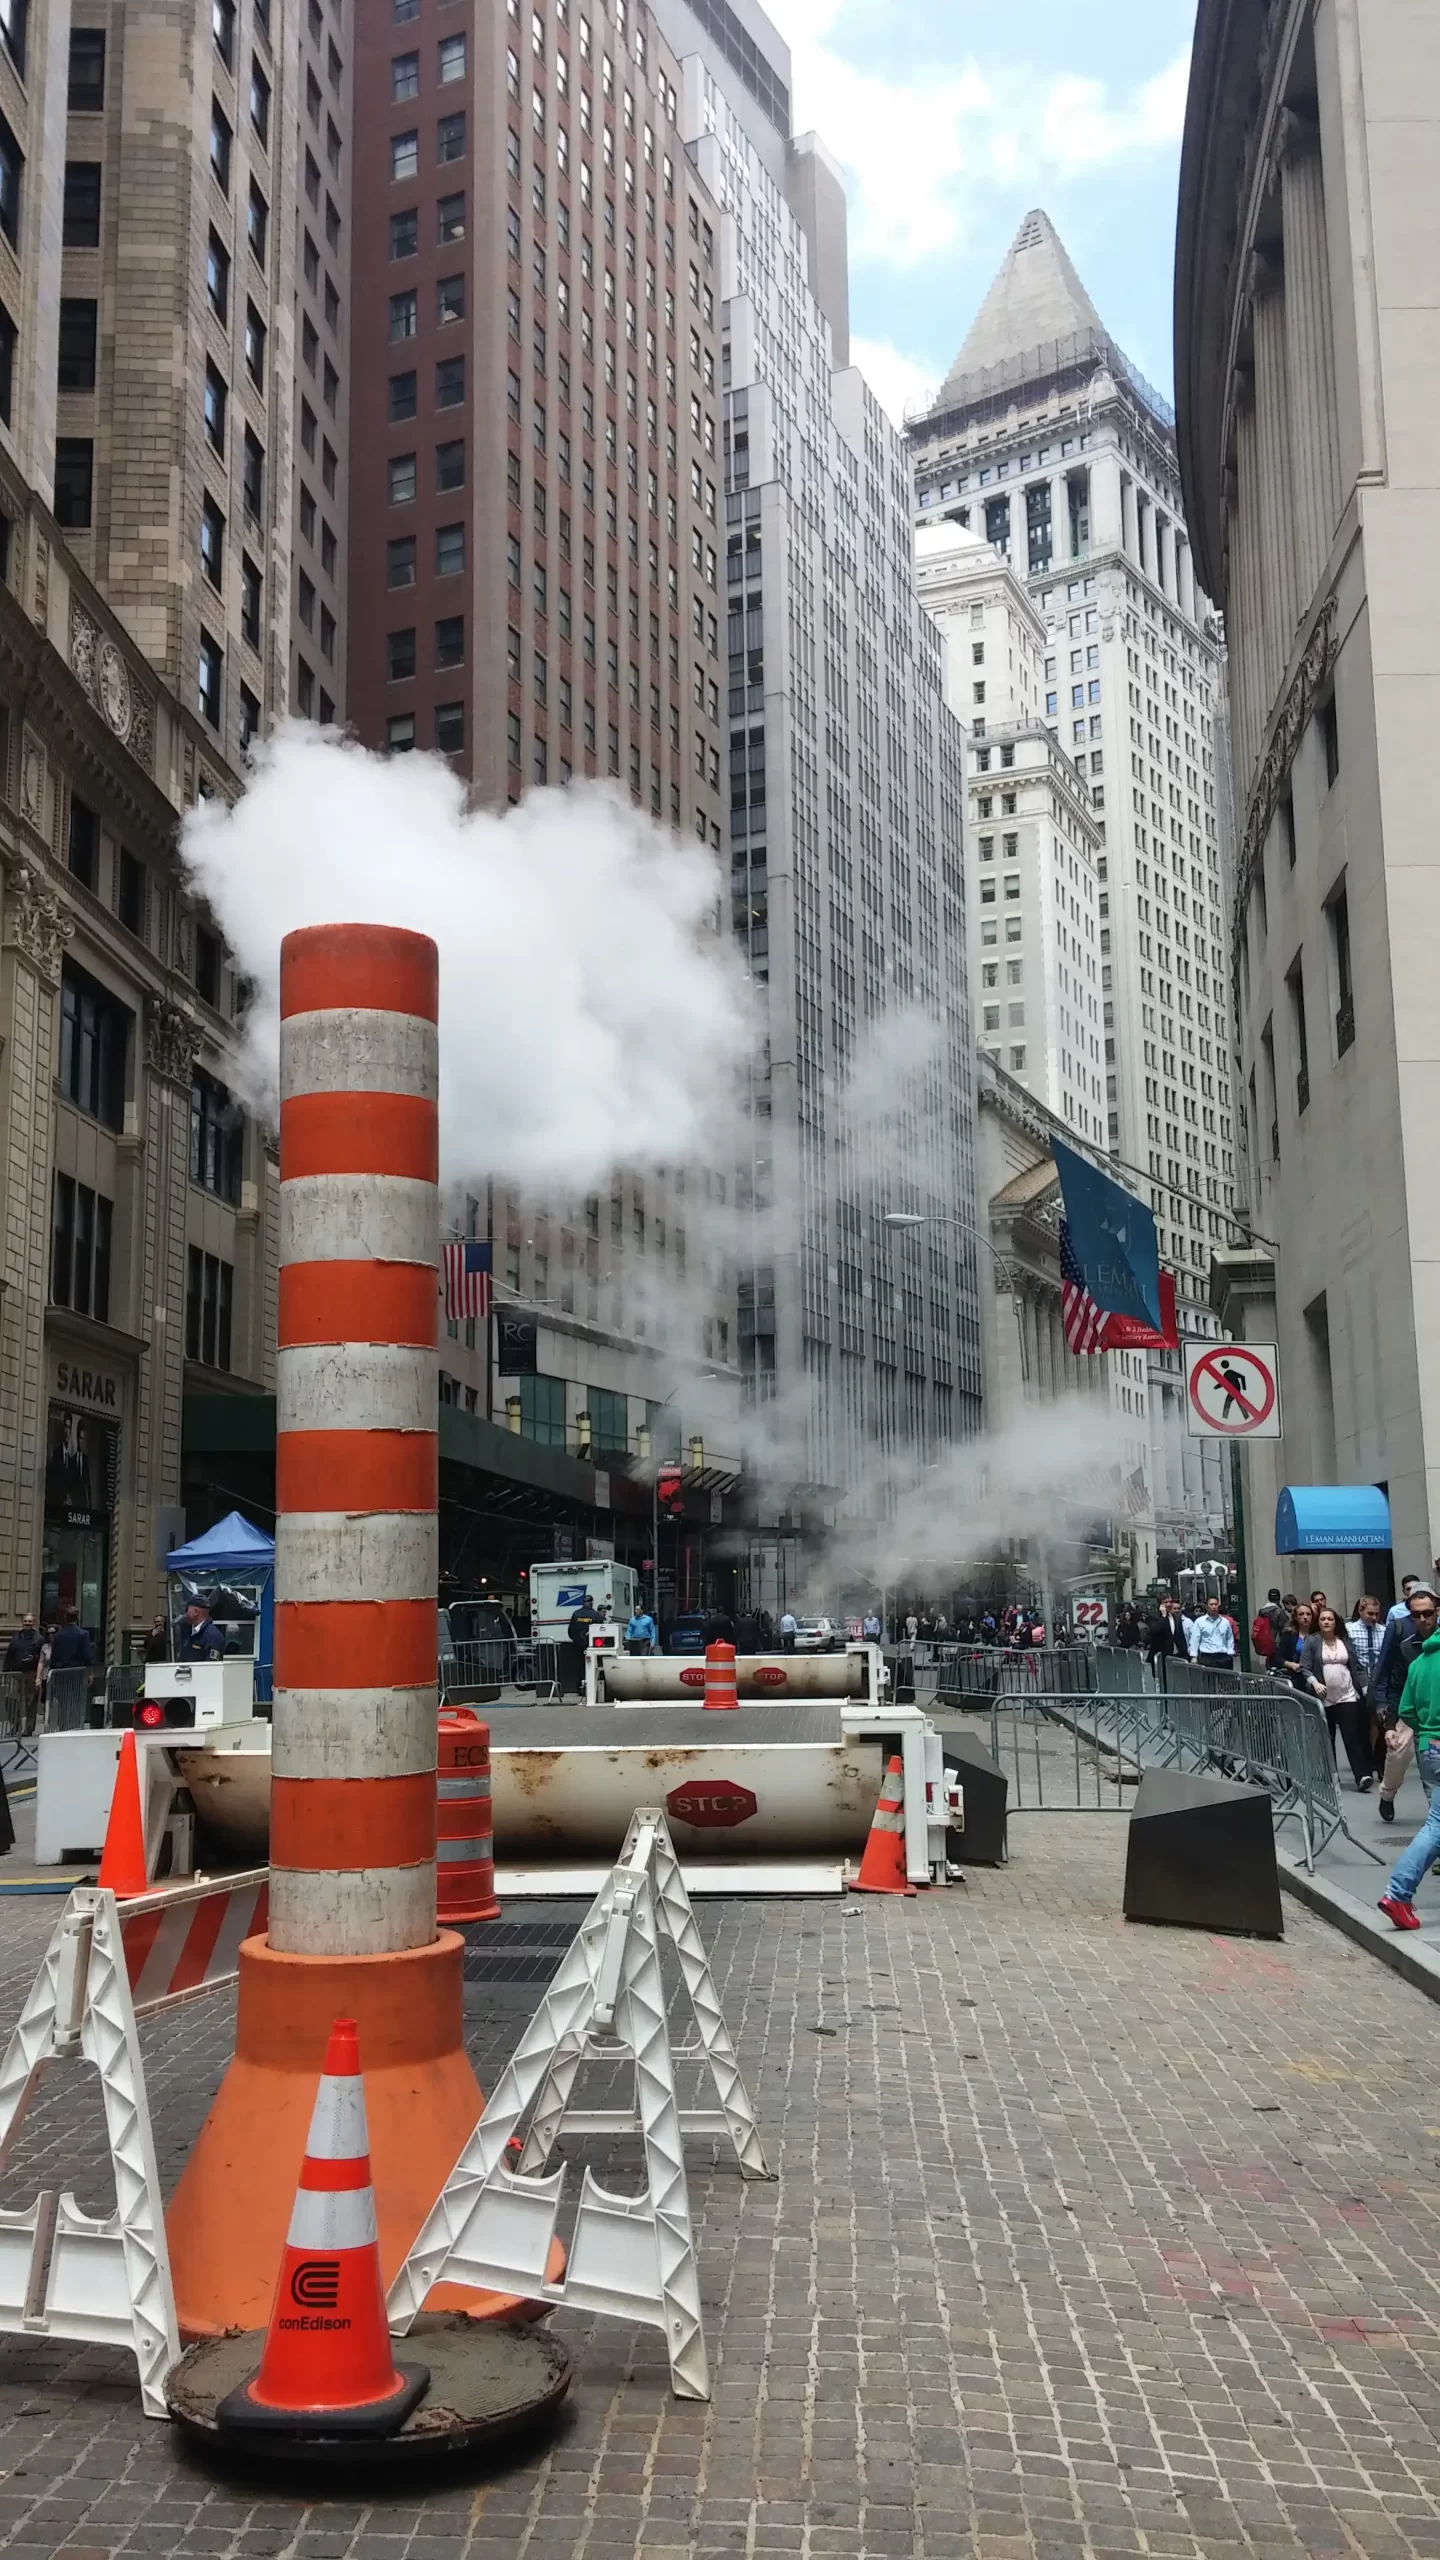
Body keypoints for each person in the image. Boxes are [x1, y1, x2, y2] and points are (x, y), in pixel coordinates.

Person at [1378, 1616, 1440, 1928]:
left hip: (1430, 1745)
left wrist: (1429, 1732)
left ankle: (1399, 1892)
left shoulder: (1420, 1663)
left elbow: (1407, 1711)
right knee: (1437, 1827)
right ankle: (1398, 1892)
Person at [1372, 1585, 1440, 1821]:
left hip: (1436, 1711)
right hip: (1411, 1710)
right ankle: (1387, 1795)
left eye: (1428, 1613)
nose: (1423, 1619)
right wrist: (1390, 1724)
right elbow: (1396, 1685)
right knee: (1398, 1753)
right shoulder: (1406, 1646)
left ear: (1437, 1612)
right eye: (1416, 1614)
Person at [1300, 1605, 1372, 1790]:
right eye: (1323, 1619)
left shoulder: (1345, 1641)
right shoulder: (1312, 1641)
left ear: (1335, 1622)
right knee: (1327, 1736)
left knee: (1351, 1735)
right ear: (1319, 1622)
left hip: (1347, 1695)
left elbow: (1357, 1667)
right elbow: (1305, 1666)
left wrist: (1364, 1688)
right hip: (1323, 1696)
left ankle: (1362, 1775)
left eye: (1330, 1619)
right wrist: (1315, 1683)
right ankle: (1330, 1776)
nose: (1326, 1622)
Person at [1189, 1592, 1236, 1675]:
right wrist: (1194, 1656)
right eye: (1211, 1604)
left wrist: (1230, 1652)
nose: (1214, 1607)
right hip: (1207, 1657)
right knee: (1209, 1683)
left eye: (1216, 1604)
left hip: (1223, 1657)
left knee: (1225, 1683)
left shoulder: (1225, 1622)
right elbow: (1195, 1639)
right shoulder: (1200, 1622)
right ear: (1206, 1606)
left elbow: (1229, 1638)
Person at [565, 1598, 597, 1696]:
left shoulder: (576, 1614)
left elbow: (570, 1631)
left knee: (579, 1666)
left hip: (577, 1645)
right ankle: (591, 1687)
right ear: (591, 1602)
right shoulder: (595, 1615)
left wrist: (576, 1639)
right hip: (591, 1645)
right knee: (592, 1666)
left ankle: (579, 1687)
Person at [1250, 1587, 1286, 1665]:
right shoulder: (1279, 1611)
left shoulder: (1262, 1611)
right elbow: (1284, 1628)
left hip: (1266, 1641)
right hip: (1277, 1643)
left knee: (1270, 1661)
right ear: (1278, 1598)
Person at [3, 1614, 41, 1679]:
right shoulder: (15, 1637)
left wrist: (33, 1658)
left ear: (33, 1623)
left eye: (30, 1621)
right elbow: (9, 1654)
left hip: (31, 1674)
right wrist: (5, 1670)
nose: (27, 1623)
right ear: (22, 1623)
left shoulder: (39, 1639)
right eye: (25, 1621)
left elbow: (41, 1657)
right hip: (14, 1674)